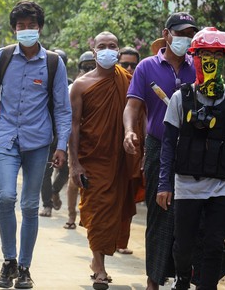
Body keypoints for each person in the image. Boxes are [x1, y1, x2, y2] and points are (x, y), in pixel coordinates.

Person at [0, 0, 72, 289]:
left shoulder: (53, 62)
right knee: (6, 197)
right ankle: (8, 261)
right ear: (14, 29)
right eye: (21, 27)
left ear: (40, 28)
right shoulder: (1, 57)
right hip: (7, 137)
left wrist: (62, 145)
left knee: (30, 205)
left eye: (31, 26)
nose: (26, 31)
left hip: (39, 143)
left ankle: (24, 267)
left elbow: (62, 108)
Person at [123, 12, 197, 290]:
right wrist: (130, 131)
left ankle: (185, 278)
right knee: (159, 214)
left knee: (190, 215)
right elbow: (132, 105)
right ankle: (153, 281)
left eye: (190, 34)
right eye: (180, 33)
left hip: (193, 149)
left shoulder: (198, 67)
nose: (185, 39)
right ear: (166, 34)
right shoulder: (146, 67)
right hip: (157, 146)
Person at [156, 27, 225, 290]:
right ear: (194, 58)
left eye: (217, 55)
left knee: (214, 244)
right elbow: (167, 144)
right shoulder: (180, 97)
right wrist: (164, 184)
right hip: (187, 185)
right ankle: (183, 278)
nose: (211, 60)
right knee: (183, 245)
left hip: (222, 186)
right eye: (205, 54)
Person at [69, 31, 135, 290]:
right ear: (93, 50)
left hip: (119, 157)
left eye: (113, 46)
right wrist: (75, 163)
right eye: (103, 46)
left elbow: (138, 113)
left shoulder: (128, 80)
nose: (108, 50)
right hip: (92, 158)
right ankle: (99, 266)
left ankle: (98, 262)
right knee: (96, 212)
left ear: (118, 50)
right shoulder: (81, 85)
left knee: (112, 212)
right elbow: (73, 126)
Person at [64, 51, 96, 230]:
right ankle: (71, 215)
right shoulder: (74, 87)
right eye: (86, 67)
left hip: (98, 140)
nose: (90, 69)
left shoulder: (105, 83)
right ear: (80, 69)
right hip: (78, 139)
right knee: (74, 178)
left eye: (93, 66)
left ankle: (87, 215)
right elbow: (70, 120)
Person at [116, 46, 143, 255]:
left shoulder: (144, 88)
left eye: (133, 65)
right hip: (110, 152)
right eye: (124, 64)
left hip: (135, 152)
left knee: (129, 197)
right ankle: (104, 241)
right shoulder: (109, 85)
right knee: (109, 197)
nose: (129, 68)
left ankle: (121, 240)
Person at [39, 48, 71, 218]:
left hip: (63, 133)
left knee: (64, 169)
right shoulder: (42, 80)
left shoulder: (70, 84)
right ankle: (47, 205)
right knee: (46, 171)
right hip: (44, 133)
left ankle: (53, 191)